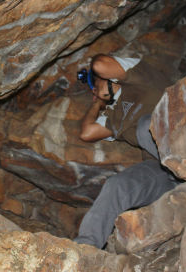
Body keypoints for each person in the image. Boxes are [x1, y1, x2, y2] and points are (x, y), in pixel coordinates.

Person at [73, 53, 180, 249]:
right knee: (116, 185)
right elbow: (86, 133)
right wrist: (97, 102)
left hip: (185, 144)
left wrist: (95, 76)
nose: (94, 90)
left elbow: (100, 64)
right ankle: (84, 249)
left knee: (145, 127)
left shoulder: (140, 76)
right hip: (163, 169)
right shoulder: (113, 115)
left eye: (95, 85)